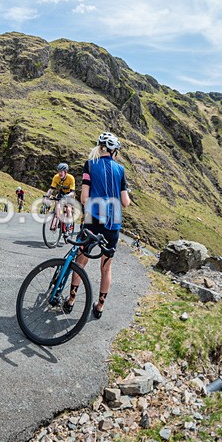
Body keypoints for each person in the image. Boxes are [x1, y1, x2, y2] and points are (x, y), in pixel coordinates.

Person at [64, 132, 131, 318]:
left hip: (93, 218)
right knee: (106, 267)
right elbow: (125, 202)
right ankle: (100, 306)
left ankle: (71, 301)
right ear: (113, 151)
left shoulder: (90, 164)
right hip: (113, 221)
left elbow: (84, 197)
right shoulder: (120, 170)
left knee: (81, 260)